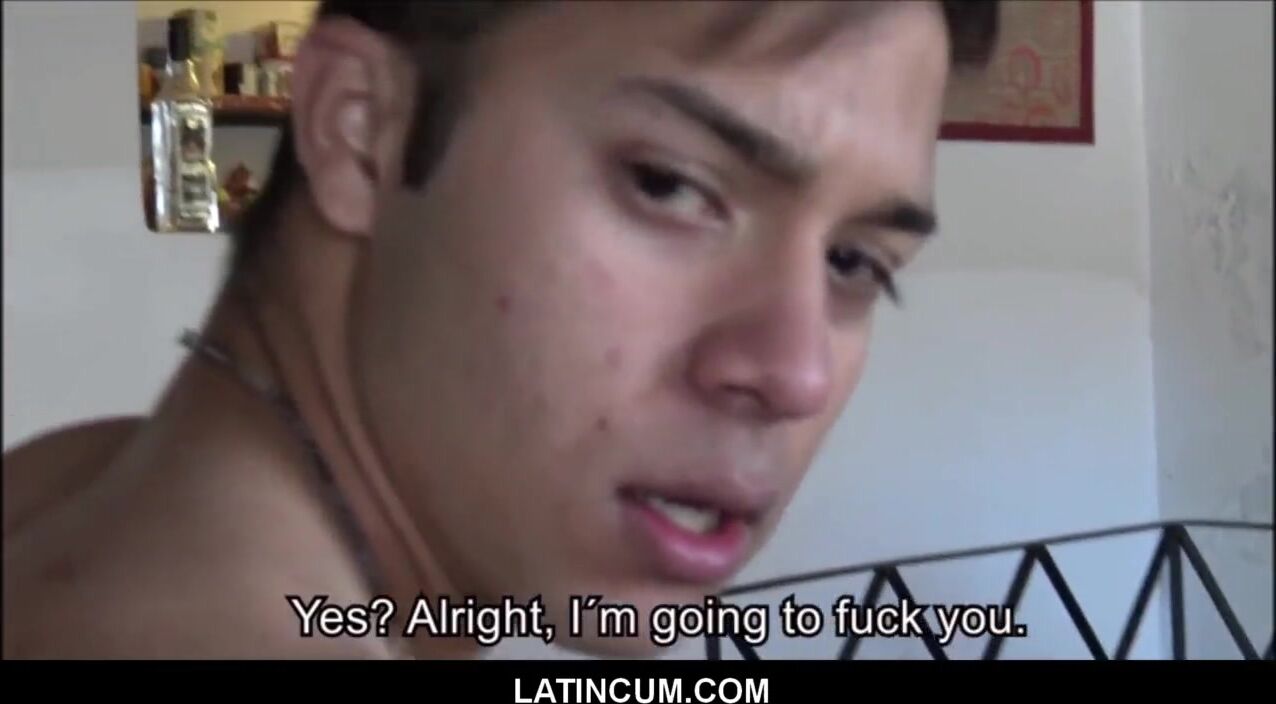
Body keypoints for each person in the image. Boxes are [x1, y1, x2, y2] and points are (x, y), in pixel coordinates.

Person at [3, 0, 998, 659]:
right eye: (668, 185)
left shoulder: (73, 483)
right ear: (361, 129)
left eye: (853, 263)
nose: (794, 373)